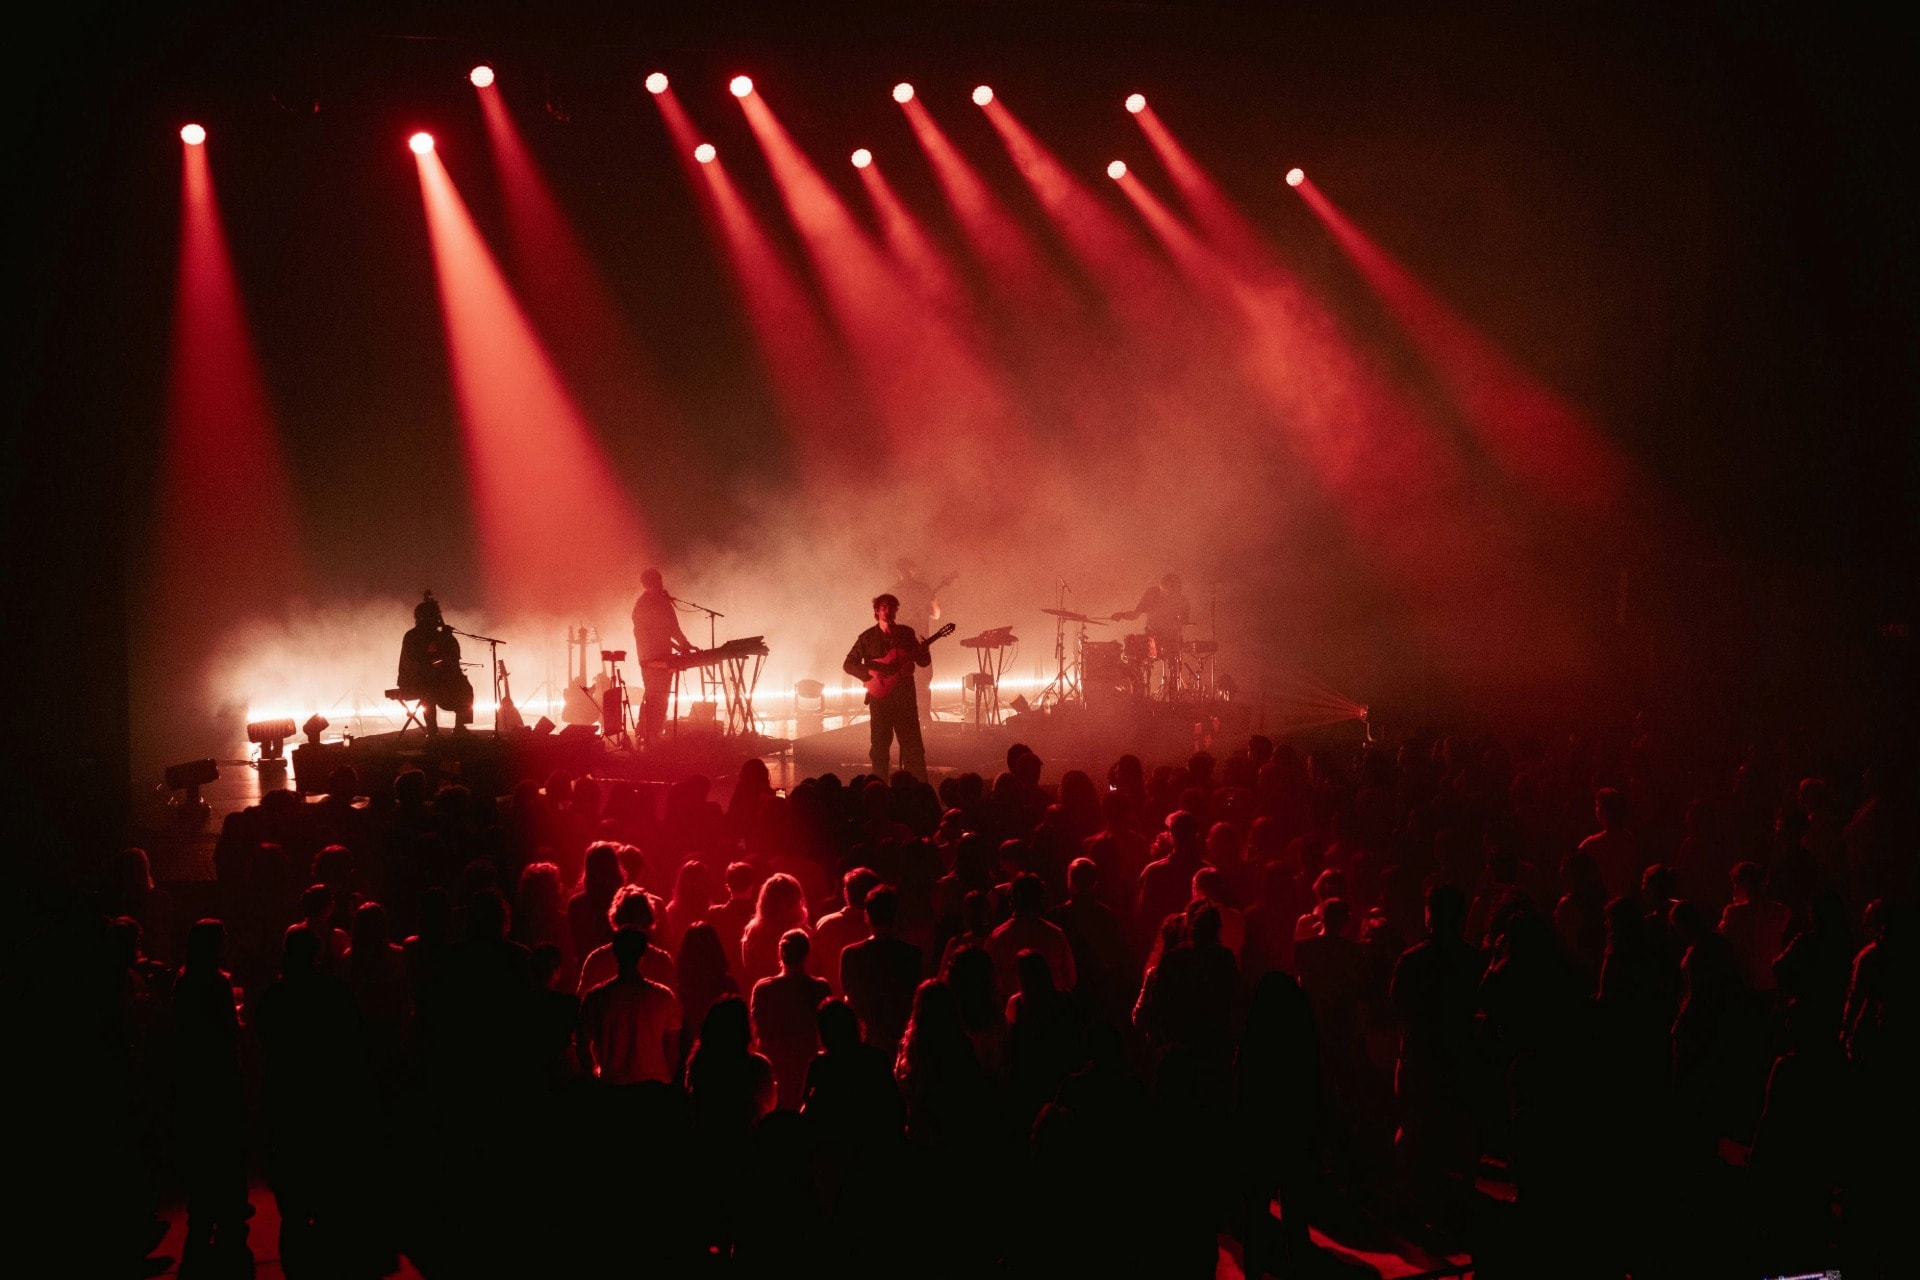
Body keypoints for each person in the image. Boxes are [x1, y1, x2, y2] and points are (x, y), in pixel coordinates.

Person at [843, 592, 931, 780]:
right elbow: (848, 664)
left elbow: (923, 662)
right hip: (880, 700)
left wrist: (925, 650)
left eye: (892, 607)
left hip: (905, 698)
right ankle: (878, 786)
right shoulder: (866, 638)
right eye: (884, 607)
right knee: (880, 746)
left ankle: (917, 788)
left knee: (912, 746)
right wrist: (869, 674)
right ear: (877, 610)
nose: (889, 611)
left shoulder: (906, 634)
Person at [579, 928, 682, 1086]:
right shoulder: (663, 997)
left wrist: (594, 1076)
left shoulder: (596, 997)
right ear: (643, 955)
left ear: (615, 952)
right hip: (654, 1084)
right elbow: (673, 1050)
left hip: (612, 1084)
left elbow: (582, 1044)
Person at [631, 567, 694, 747]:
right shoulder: (647, 603)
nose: (660, 583)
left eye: (660, 580)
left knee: (657, 695)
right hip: (653, 659)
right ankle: (649, 734)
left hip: (656, 656)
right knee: (656, 695)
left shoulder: (652, 602)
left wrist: (683, 644)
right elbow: (666, 629)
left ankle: (648, 732)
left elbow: (668, 629)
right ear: (649, 583)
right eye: (657, 580)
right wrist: (683, 644)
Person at [396, 590, 473, 734]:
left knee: (466, 689)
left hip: (438, 681)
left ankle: (460, 728)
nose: (436, 621)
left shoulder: (438, 636)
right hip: (413, 681)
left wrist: (447, 639)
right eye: (433, 618)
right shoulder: (412, 636)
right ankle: (432, 734)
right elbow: (418, 662)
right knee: (429, 691)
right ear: (424, 618)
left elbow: (447, 659)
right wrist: (442, 641)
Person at [1113, 573, 1189, 699]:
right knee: (1133, 656)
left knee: (1174, 662)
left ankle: (1174, 693)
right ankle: (1137, 692)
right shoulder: (1152, 594)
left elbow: (1184, 622)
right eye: (1171, 586)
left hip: (1171, 639)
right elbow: (1135, 614)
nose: (1174, 589)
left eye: (1177, 587)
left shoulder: (1183, 601)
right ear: (1162, 586)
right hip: (1151, 638)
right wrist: (1121, 615)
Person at [889, 558, 946, 724]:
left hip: (899, 644)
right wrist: (924, 609)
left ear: (898, 572)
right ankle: (925, 718)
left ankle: (903, 719)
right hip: (920, 643)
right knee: (923, 681)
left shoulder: (892, 592)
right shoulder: (924, 589)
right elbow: (936, 614)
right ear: (913, 570)